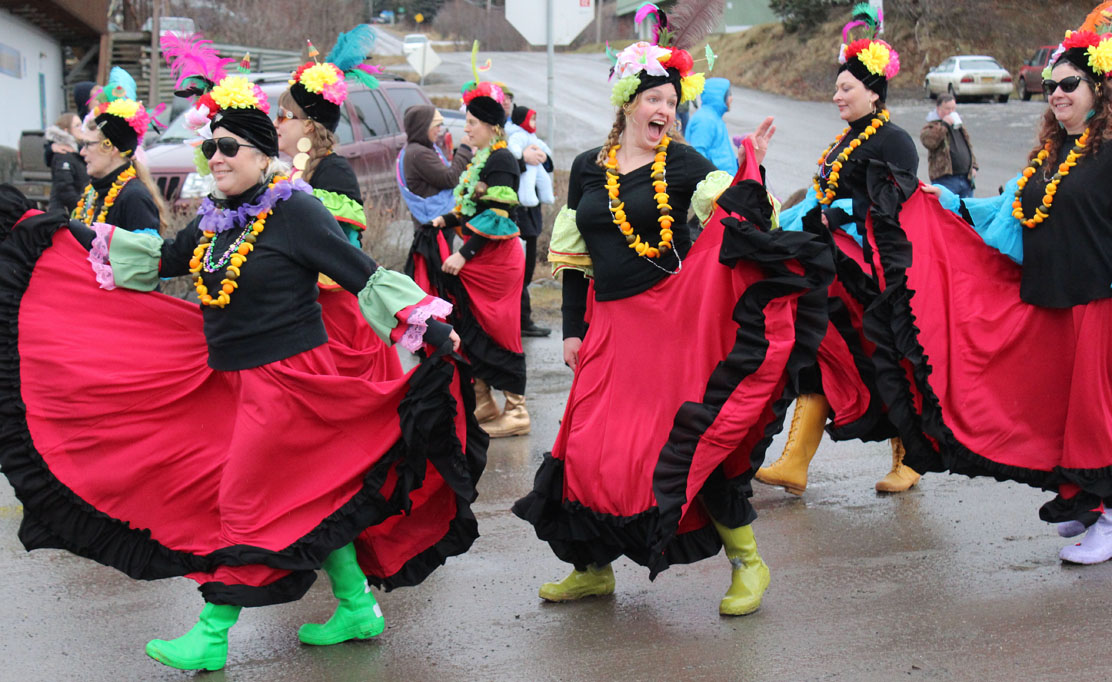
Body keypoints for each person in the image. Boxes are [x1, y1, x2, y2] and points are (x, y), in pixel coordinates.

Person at [0, 57, 482, 672]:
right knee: (307, 500)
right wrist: (51, 237)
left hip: (290, 386)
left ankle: (212, 631)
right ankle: (357, 606)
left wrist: (429, 324)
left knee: (248, 504)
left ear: (262, 155)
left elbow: (360, 274)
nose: (216, 156)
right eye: (210, 146)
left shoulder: (296, 212)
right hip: (230, 383)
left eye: (228, 146)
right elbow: (156, 259)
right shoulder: (214, 220)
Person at [512, 6, 832, 617]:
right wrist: (574, 329)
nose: (666, 111)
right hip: (609, 327)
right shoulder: (587, 167)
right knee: (586, 450)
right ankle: (592, 567)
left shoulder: (681, 165)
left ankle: (748, 562)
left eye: (672, 101)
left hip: (671, 323)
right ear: (628, 102)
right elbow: (577, 260)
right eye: (655, 98)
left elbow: (737, 213)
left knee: (680, 444)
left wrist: (752, 169)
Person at [865, 19, 1112, 565]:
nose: (1057, 94)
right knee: (1061, 409)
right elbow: (1008, 214)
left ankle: (1110, 515)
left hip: (1100, 299)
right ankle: (1088, 499)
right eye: (1051, 86)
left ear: (1100, 88)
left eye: (1070, 84)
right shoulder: (1051, 154)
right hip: (1054, 300)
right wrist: (942, 206)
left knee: (1099, 412)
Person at [756, 6, 922, 496]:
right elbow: (818, 199)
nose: (836, 96)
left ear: (874, 91)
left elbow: (895, 200)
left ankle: (910, 460)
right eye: (836, 88)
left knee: (884, 364)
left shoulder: (894, 140)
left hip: (872, 279)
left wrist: (843, 211)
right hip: (827, 272)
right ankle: (795, 462)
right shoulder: (844, 141)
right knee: (814, 357)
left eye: (846, 88)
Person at [269, 24, 406, 381]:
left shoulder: (333, 172)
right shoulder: (293, 174)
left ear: (310, 127)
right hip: (305, 316)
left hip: (336, 321)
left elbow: (337, 252)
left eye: (285, 116)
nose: (276, 123)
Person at [408, 57, 530, 438]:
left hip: (496, 264)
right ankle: (484, 402)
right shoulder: (481, 160)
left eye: (473, 124)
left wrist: (463, 253)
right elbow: (470, 211)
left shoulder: (502, 159)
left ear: (492, 127)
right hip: (481, 260)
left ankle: (517, 409)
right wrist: (443, 222)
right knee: (470, 326)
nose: (467, 130)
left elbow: (498, 215)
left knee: (501, 331)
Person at [73, 67, 165, 234]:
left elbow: (141, 256)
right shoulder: (94, 191)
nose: (82, 152)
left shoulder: (134, 198)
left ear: (111, 148)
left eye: (88, 145)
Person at [398, 105, 473, 226]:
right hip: (433, 224)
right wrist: (465, 149)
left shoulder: (420, 149)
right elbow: (450, 178)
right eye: (436, 126)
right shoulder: (418, 154)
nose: (439, 130)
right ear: (423, 127)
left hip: (434, 221)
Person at [920, 93, 977, 198]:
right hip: (946, 180)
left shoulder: (958, 125)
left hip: (966, 178)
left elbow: (967, 146)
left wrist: (974, 166)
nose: (951, 112)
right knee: (945, 212)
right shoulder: (932, 126)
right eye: (947, 108)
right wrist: (944, 125)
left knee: (966, 212)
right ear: (938, 108)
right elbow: (929, 142)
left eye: (953, 108)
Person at [685, 77, 738, 175]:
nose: (731, 98)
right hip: (715, 185)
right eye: (728, 94)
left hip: (723, 183)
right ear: (719, 96)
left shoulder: (714, 117)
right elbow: (697, 156)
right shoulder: (705, 120)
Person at [507, 105, 555, 207]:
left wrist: (545, 156)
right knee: (528, 181)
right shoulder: (516, 135)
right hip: (526, 169)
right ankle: (528, 199)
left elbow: (548, 164)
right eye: (532, 120)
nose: (534, 123)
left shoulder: (532, 136)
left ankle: (547, 196)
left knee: (545, 180)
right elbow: (514, 146)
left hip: (537, 165)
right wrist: (522, 157)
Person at [43, 112, 89, 214]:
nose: (82, 128)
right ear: (66, 131)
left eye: (81, 124)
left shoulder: (78, 151)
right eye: (77, 126)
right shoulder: (62, 153)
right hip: (67, 214)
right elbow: (65, 188)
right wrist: (80, 209)